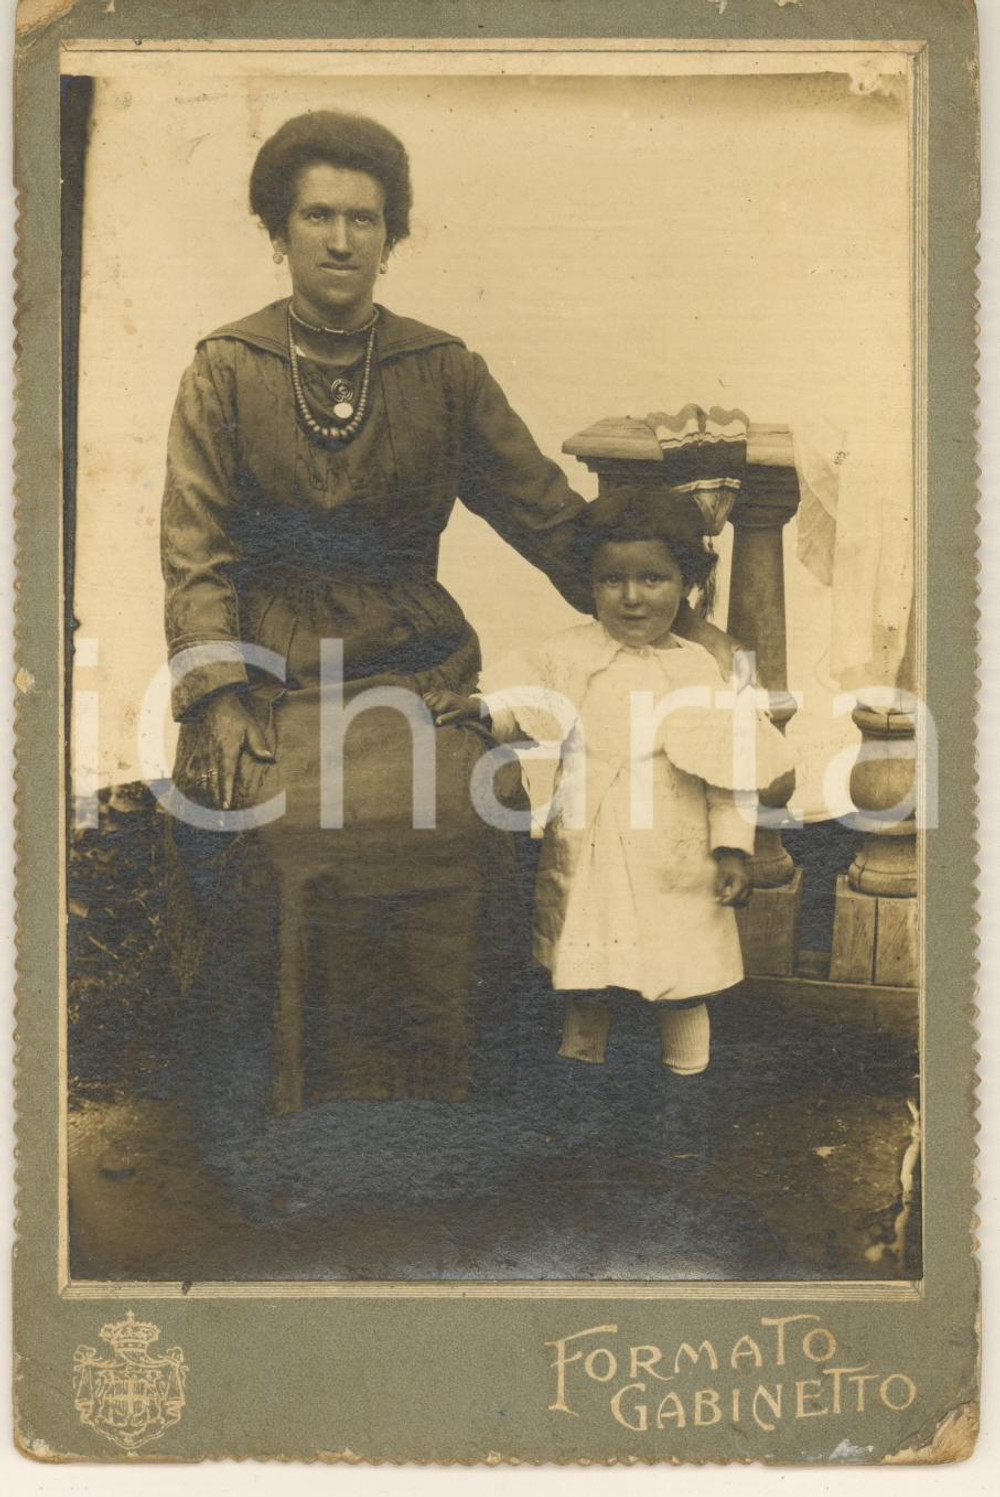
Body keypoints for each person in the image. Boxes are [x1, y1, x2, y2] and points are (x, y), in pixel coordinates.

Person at [161, 109, 736, 1116]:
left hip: (413, 665)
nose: (341, 241)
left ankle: (439, 1091)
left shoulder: (443, 369)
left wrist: (667, 590)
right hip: (272, 673)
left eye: (365, 219)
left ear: (393, 236)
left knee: (458, 817)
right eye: (317, 216)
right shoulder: (226, 367)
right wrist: (214, 696)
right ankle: (282, 1095)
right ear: (278, 230)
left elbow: (546, 514)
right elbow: (195, 544)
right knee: (282, 830)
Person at [425, 495, 794, 1076]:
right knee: (585, 973)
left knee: (680, 979)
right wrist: (479, 708)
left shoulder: (702, 670)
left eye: (653, 579)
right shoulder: (569, 654)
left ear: (686, 583)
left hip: (674, 857)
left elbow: (728, 774)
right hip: (591, 846)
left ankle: (686, 1089)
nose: (632, 597)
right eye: (611, 581)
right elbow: (523, 705)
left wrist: (732, 849)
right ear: (591, 586)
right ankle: (581, 1079)